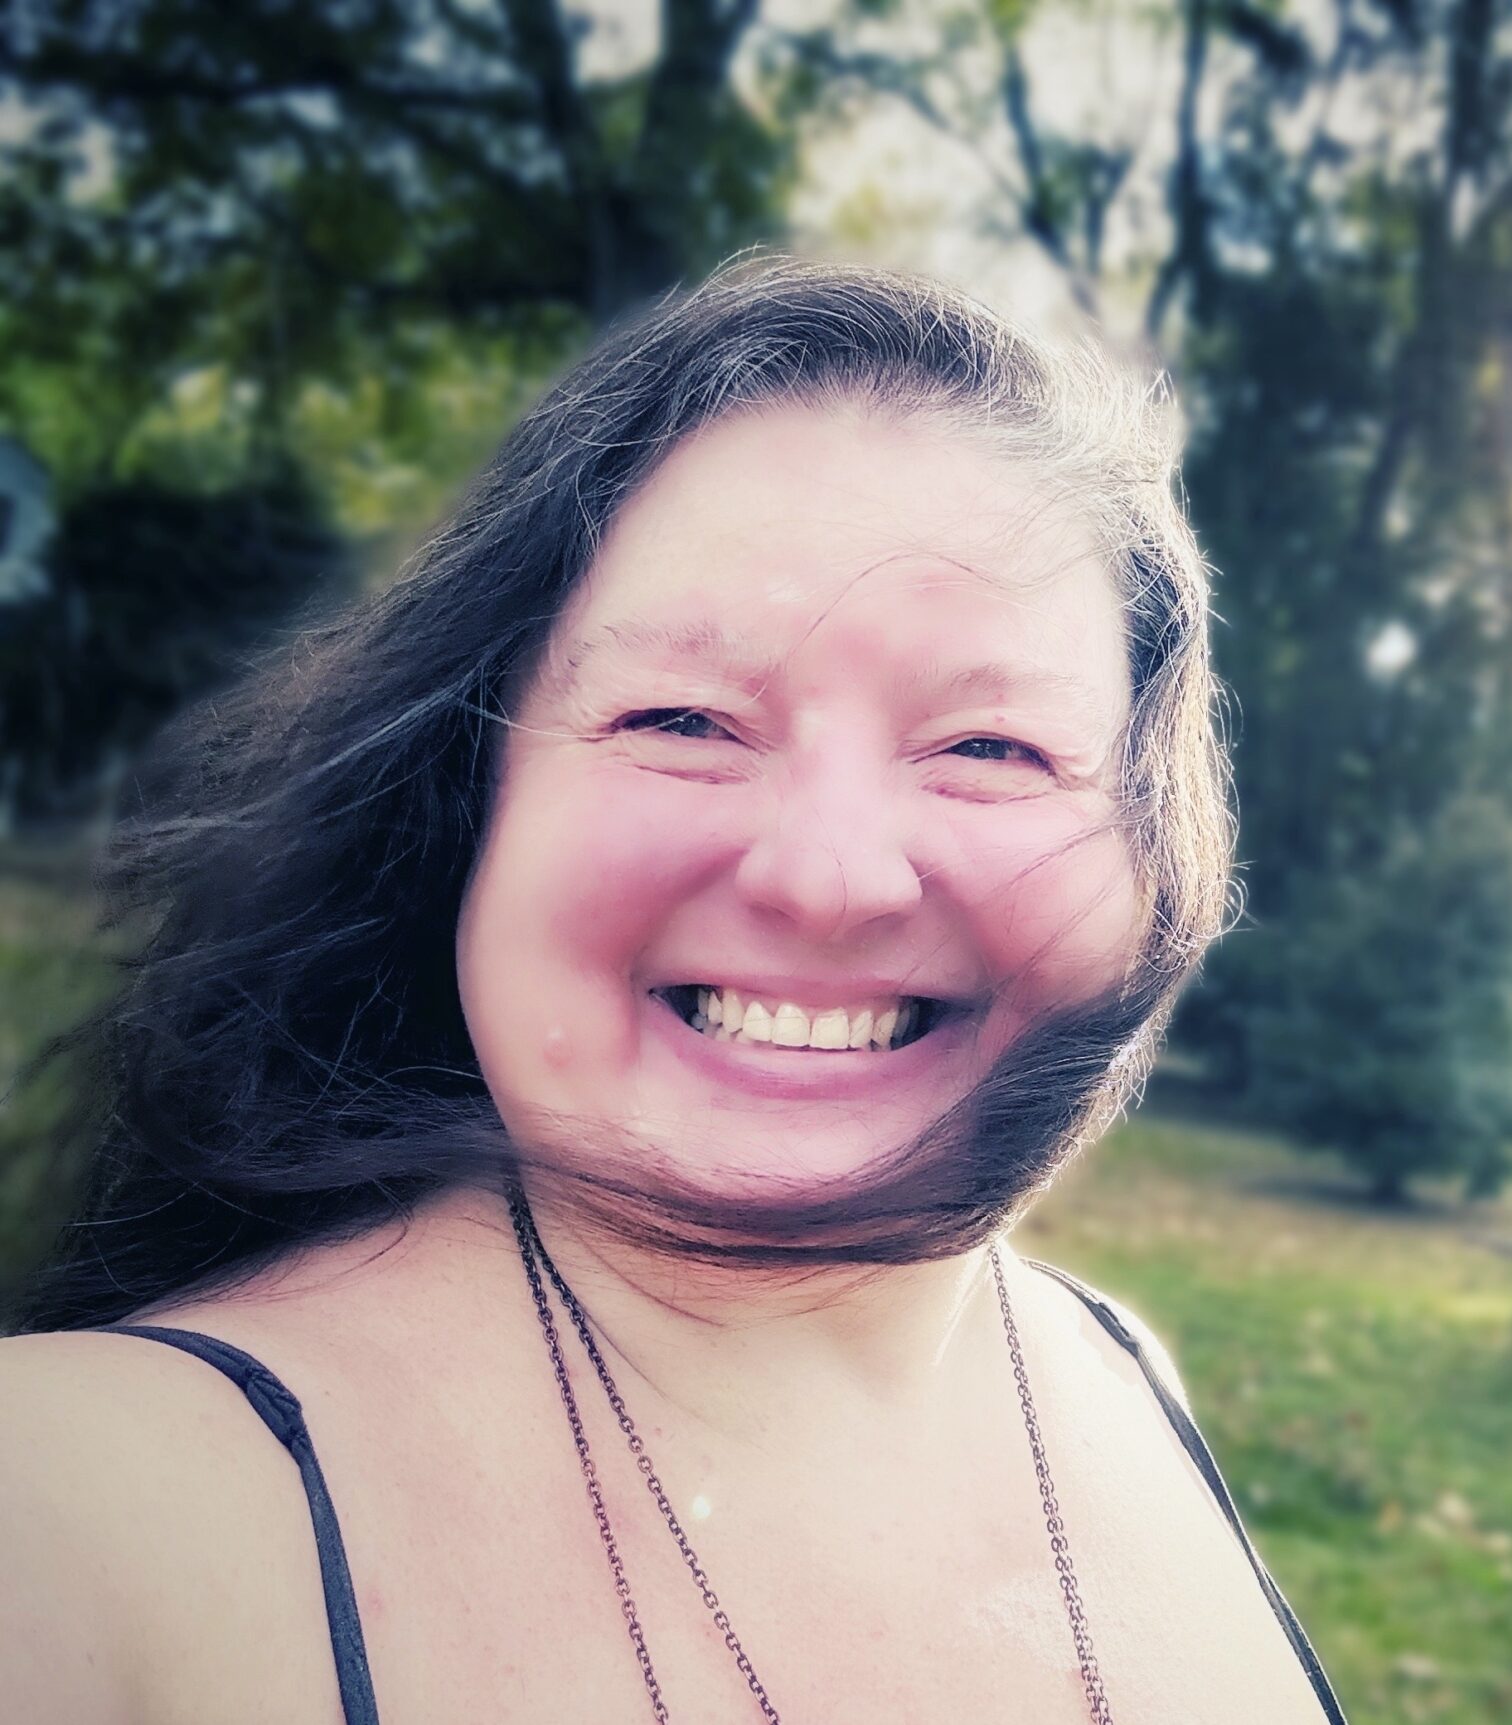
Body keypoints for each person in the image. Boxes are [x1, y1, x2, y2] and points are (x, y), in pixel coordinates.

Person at [0, 258, 1349, 1725]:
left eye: (990, 748)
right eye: (684, 720)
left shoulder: (1120, 1375)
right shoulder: (72, 1517)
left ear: (1154, 852)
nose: (830, 877)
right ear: (467, 807)